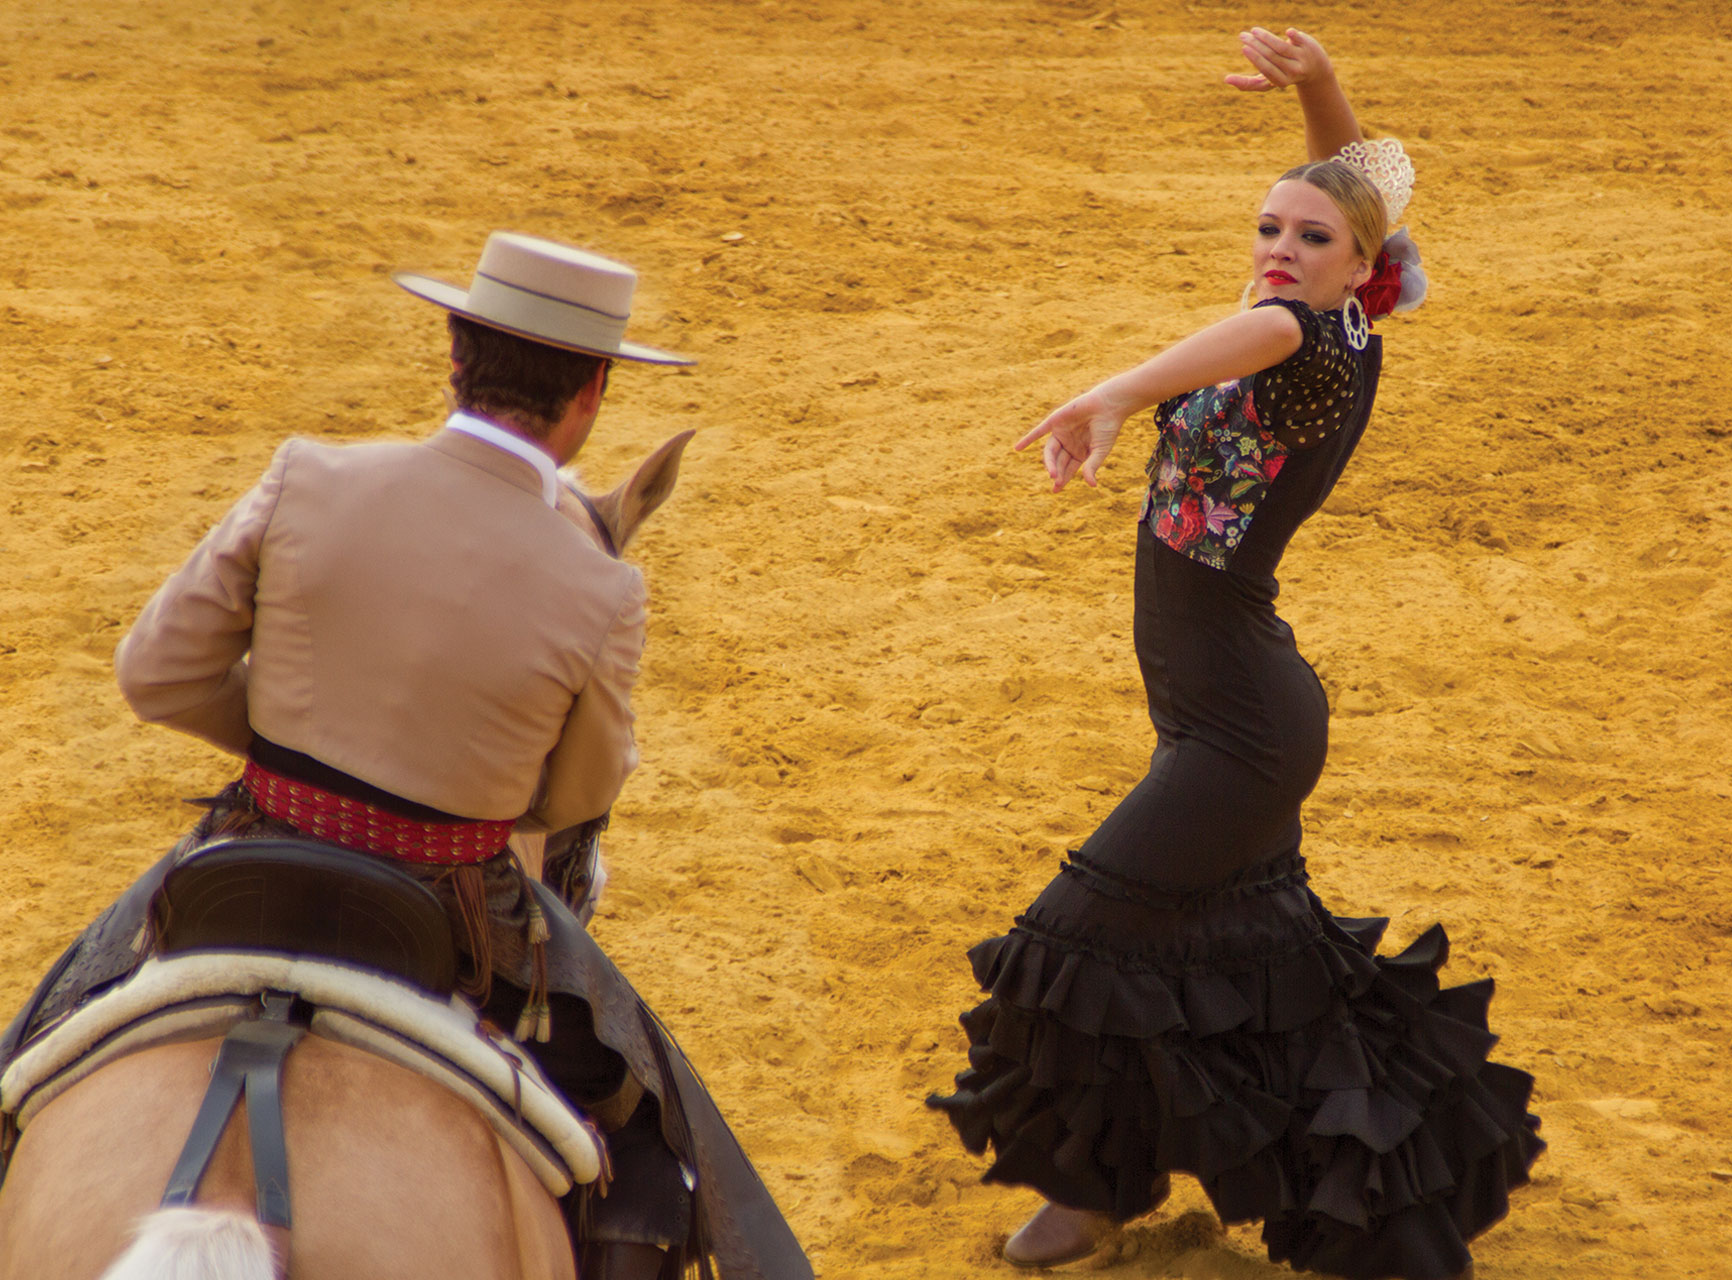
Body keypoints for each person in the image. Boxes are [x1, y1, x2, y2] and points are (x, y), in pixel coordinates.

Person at [0, 232, 811, 1280]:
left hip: (253, 848)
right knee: (659, 1138)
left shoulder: (308, 475)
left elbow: (155, 673)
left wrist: (295, 747)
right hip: (458, 896)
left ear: (456, 355)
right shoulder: (603, 586)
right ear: (591, 395)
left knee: (36, 1043)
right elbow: (580, 790)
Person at [928, 27, 1540, 1280]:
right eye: (1269, 227)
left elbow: (1257, 330)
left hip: (1240, 732)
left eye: (1312, 239)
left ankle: (1089, 1187)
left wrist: (1113, 393)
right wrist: (1318, 88)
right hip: (1229, 707)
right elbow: (1346, 198)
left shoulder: (1302, 343)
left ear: (1362, 266)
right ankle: (1339, 1198)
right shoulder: (1341, 302)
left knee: (1076, 939)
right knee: (1246, 960)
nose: (1281, 248)